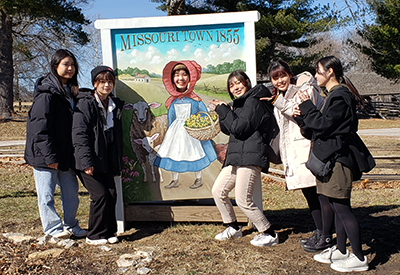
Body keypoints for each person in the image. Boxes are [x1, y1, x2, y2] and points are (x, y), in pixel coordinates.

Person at [294, 56, 370, 272]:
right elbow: (317, 129)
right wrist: (302, 117)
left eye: (318, 71)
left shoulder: (340, 96)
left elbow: (323, 124)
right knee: (336, 208)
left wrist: (307, 105)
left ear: (330, 72)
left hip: (338, 160)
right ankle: (341, 250)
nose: (316, 75)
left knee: (342, 208)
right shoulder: (334, 96)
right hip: (331, 159)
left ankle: (359, 257)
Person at [262, 60, 334, 252]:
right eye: (275, 78)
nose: (280, 80)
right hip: (295, 152)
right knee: (311, 195)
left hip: (308, 150)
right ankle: (320, 232)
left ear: (290, 75)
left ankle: (326, 235)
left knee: (319, 195)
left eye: (282, 75)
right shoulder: (283, 94)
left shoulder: (305, 89)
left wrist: (276, 102)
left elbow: (299, 114)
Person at [209, 70, 278, 247]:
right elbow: (229, 129)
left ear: (247, 82)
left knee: (243, 199)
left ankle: (269, 233)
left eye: (238, 83)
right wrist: (222, 111)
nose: (235, 87)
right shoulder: (241, 104)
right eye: (231, 85)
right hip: (236, 155)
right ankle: (233, 227)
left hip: (251, 155)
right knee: (218, 191)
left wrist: (224, 110)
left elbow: (240, 128)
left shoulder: (254, 102)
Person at [24, 49, 86, 239]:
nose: (70, 68)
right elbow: (38, 128)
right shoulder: (46, 93)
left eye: (73, 65)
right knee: (46, 195)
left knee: (71, 193)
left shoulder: (71, 91)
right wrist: (50, 157)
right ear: (55, 66)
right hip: (44, 154)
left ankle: (71, 225)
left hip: (65, 153)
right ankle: (52, 229)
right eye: (66, 64)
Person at [72, 65, 124, 245]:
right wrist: (86, 162)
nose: (106, 85)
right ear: (95, 83)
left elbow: (116, 138)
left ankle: (109, 232)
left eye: (109, 82)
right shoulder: (85, 103)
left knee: (111, 194)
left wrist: (116, 164)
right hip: (88, 159)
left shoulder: (114, 105)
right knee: (100, 195)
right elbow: (79, 134)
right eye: (102, 82)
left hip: (106, 159)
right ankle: (93, 235)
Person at [154, 61, 217, 189]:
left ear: (190, 78)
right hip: (176, 132)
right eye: (177, 75)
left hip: (191, 131)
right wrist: (169, 134)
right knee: (173, 152)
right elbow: (171, 118)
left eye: (184, 74)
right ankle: (175, 179)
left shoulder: (195, 100)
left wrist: (200, 124)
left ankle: (198, 178)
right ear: (172, 79)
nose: (180, 78)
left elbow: (203, 114)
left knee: (194, 152)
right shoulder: (173, 101)